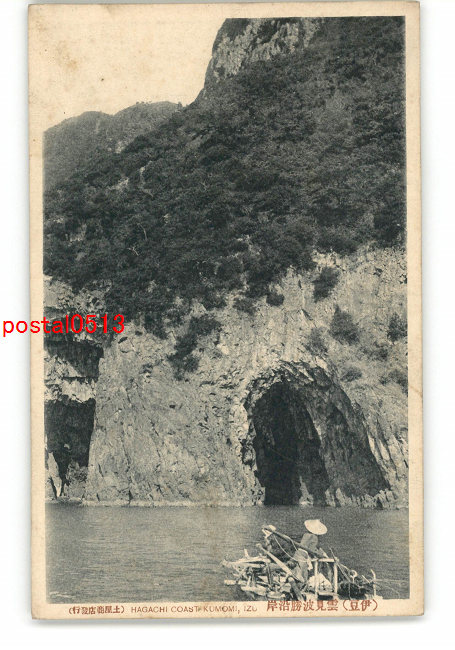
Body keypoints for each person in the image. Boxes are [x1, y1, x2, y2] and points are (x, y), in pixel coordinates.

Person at [291, 519, 328, 584]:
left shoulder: (306, 534)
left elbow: (306, 545)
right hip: (303, 555)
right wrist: (320, 554)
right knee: (303, 575)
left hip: (297, 554)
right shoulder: (314, 537)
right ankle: (303, 585)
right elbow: (312, 549)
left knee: (296, 572)